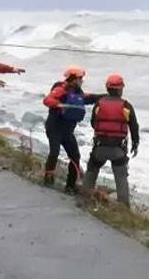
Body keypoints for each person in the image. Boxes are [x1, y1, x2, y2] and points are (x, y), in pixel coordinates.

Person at [41, 65, 103, 193]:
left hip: (67, 131)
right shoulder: (60, 89)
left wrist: (108, 96)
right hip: (54, 127)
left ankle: (70, 186)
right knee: (54, 152)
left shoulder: (78, 93)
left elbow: (91, 97)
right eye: (80, 78)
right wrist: (60, 104)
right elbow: (47, 100)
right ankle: (48, 177)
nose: (82, 80)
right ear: (73, 78)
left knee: (75, 156)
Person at [81, 74, 139, 207]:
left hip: (100, 147)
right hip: (118, 149)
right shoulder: (126, 106)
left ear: (107, 88)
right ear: (120, 89)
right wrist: (135, 144)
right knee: (121, 177)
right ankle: (124, 208)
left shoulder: (99, 104)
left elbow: (93, 123)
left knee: (92, 170)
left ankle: (85, 198)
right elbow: (134, 126)